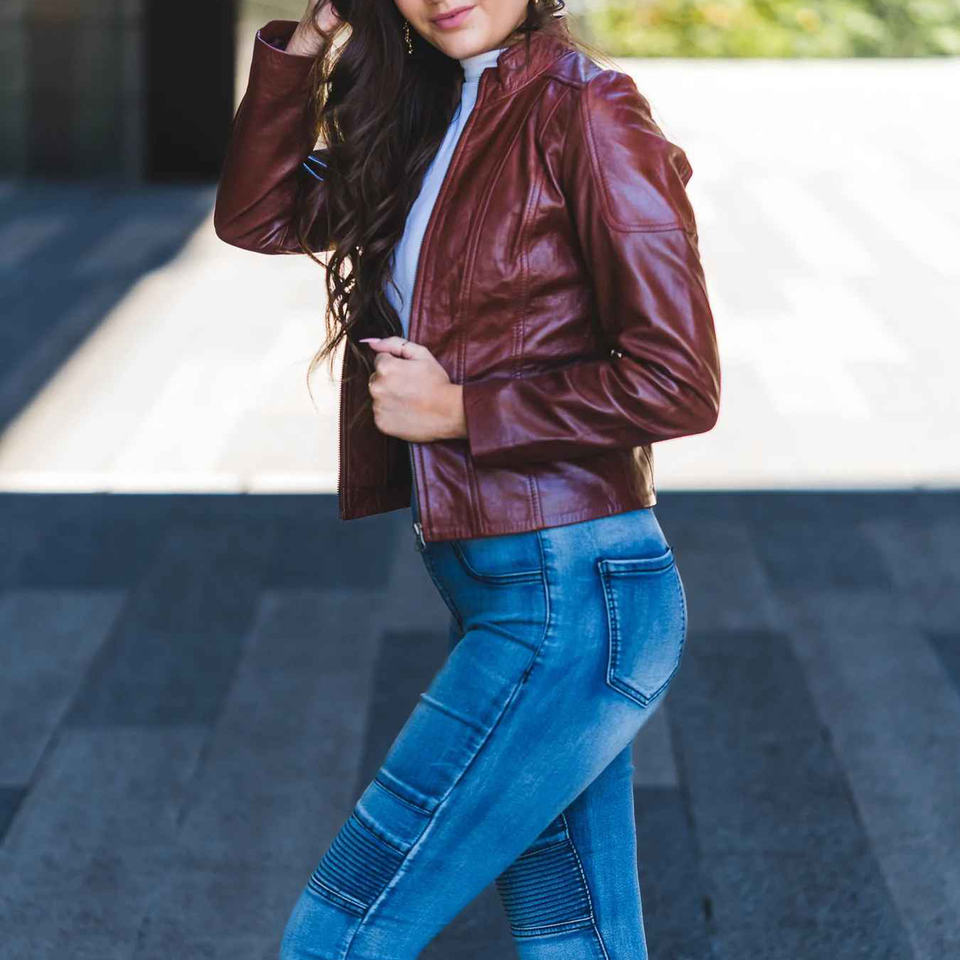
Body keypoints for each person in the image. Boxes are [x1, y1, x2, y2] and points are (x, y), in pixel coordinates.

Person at [214, 1, 722, 957]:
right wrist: (304, 48)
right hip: (505, 588)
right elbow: (257, 213)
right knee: (576, 939)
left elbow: (678, 381)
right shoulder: (432, 112)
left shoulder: (590, 112)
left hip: (571, 599)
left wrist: (463, 410)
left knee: (340, 932)